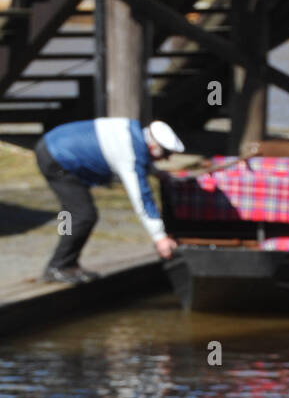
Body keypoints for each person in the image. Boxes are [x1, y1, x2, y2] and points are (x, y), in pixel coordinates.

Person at [35, 118, 184, 284]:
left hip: (54, 144)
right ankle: (58, 267)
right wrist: (159, 237)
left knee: (73, 214)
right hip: (57, 158)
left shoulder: (133, 132)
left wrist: (155, 172)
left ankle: (67, 263)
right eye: (167, 154)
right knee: (83, 216)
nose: (167, 160)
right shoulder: (129, 155)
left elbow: (136, 157)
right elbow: (141, 199)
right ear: (153, 147)